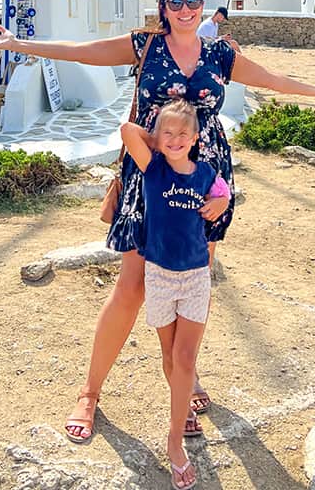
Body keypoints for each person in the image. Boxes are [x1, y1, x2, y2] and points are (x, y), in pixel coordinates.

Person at [0, 0, 315, 446]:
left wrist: (313, 90)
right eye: (176, 2)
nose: (185, 9)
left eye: (193, 1)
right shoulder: (144, 45)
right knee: (131, 287)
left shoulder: (220, 54)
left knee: (193, 282)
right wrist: (17, 45)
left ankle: (184, 379)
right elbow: (79, 51)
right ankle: (89, 392)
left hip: (206, 179)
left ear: (203, 6)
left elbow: (270, 78)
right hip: (150, 176)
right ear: (163, 8)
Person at [121, 100, 230, 489]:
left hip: (196, 276)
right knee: (169, 358)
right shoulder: (154, 169)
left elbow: (225, 194)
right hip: (160, 277)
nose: (176, 139)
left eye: (184, 133)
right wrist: (159, 138)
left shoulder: (205, 174)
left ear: (197, 138)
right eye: (169, 133)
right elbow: (126, 131)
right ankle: (182, 408)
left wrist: (222, 201)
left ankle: (174, 445)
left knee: (185, 358)